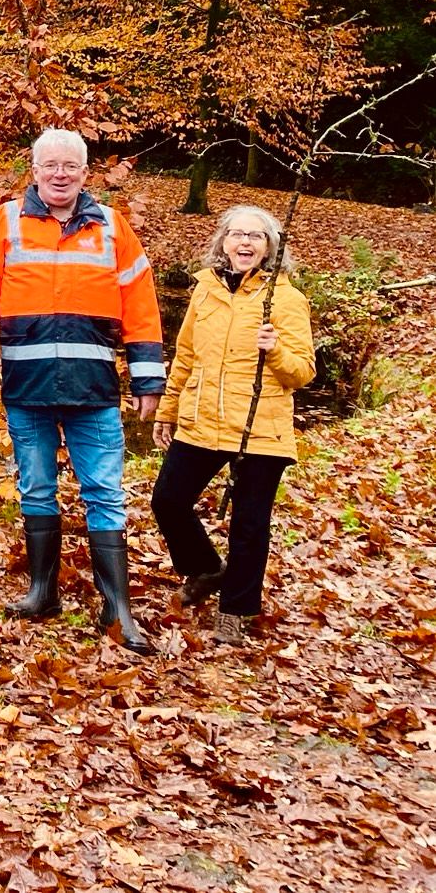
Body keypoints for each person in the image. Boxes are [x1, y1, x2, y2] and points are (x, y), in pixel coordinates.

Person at [0, 128, 165, 655]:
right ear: (33, 170)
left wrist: (147, 378)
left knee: (104, 492)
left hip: (93, 388)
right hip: (26, 387)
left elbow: (141, 307)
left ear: (84, 172)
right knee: (36, 488)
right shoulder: (3, 223)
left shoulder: (113, 229)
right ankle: (42, 591)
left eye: (69, 166)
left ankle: (116, 607)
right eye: (49, 165)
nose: (59, 174)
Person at [152, 205, 315, 646]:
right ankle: (206, 569)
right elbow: (185, 355)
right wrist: (169, 409)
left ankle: (236, 612)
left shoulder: (286, 299)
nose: (245, 243)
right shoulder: (204, 291)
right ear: (223, 241)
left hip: (261, 429)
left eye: (256, 237)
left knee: (249, 524)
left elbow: (302, 372)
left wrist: (276, 350)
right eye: (237, 234)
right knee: (167, 499)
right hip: (203, 420)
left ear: (270, 247)